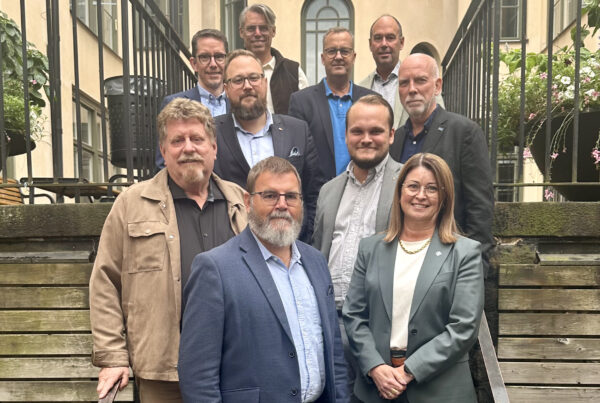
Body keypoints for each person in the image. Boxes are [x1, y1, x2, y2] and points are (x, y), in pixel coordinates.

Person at [89, 99, 247, 402]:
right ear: (163, 151)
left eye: (197, 139)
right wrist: (112, 356)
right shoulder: (131, 204)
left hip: (236, 366)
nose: (188, 148)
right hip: (164, 371)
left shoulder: (241, 202)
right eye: (177, 141)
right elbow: (105, 281)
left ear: (214, 148)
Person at [178, 156, 349, 403]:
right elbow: (197, 376)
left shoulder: (316, 262)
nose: (282, 205)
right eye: (270, 196)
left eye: (291, 196)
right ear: (248, 201)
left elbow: (334, 354)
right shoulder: (215, 268)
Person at [343, 153, 484, 403]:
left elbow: (463, 327)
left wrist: (408, 371)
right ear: (400, 192)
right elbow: (354, 316)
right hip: (376, 388)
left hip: (440, 391)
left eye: (432, 188)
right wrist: (375, 367)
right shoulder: (370, 249)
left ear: (444, 197)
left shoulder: (465, 253)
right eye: (413, 186)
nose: (421, 195)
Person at [311, 94, 403, 396]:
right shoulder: (328, 190)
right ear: (346, 134)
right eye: (357, 131)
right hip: (331, 321)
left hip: (380, 324)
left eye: (376, 131)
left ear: (391, 134)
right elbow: (319, 249)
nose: (366, 139)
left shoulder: (408, 183)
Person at [388, 53, 494, 274]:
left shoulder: (464, 132)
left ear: (437, 86)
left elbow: (480, 207)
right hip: (401, 261)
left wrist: (475, 269)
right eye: (404, 83)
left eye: (420, 80)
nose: (412, 89)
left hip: (448, 263)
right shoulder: (395, 140)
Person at [213, 49, 321, 242]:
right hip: (230, 247)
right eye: (238, 80)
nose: (247, 86)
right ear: (226, 89)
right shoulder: (212, 134)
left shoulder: (298, 131)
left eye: (254, 78)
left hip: (289, 245)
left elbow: (313, 195)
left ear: (264, 82)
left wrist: (302, 242)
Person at [289, 27, 376, 183]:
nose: (338, 56)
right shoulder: (301, 102)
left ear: (354, 57)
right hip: (318, 194)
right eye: (331, 51)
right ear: (323, 58)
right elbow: (297, 159)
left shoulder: (372, 100)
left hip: (364, 190)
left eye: (345, 51)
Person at [156, 29, 230, 169]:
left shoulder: (238, 105)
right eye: (205, 57)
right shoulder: (173, 103)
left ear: (227, 61)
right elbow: (163, 162)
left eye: (219, 56)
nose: (213, 64)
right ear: (194, 63)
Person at [359, 15, 443, 129]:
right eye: (378, 38)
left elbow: (440, 124)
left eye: (390, 37)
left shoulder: (424, 83)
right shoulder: (361, 89)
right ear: (370, 44)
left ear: (401, 42)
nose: (384, 44)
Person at [239, 3, 308, 114]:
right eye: (251, 29)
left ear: (273, 31)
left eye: (263, 28)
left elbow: (307, 113)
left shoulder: (293, 72)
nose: (257, 33)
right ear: (241, 32)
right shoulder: (230, 72)